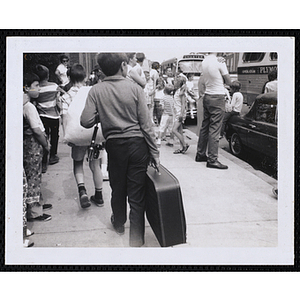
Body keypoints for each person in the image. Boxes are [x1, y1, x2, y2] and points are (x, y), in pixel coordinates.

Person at [80, 53, 159, 247]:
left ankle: (119, 223)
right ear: (123, 66)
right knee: (137, 192)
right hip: (137, 145)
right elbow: (146, 125)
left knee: (117, 187)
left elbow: (85, 121)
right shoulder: (135, 88)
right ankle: (136, 238)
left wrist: (104, 115)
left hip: (115, 147)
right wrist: (155, 153)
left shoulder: (96, 90)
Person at [60, 64, 105, 209]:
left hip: (77, 134)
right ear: (85, 77)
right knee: (95, 164)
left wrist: (67, 136)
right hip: (93, 134)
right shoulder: (92, 91)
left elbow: (65, 117)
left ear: (69, 78)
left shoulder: (65, 96)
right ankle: (99, 195)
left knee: (78, 163)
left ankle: (82, 190)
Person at [23, 73, 52, 222]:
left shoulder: (28, 104)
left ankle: (38, 203)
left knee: (35, 175)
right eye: (36, 86)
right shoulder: (28, 107)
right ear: (26, 88)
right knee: (33, 177)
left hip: (31, 147)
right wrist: (46, 144)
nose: (39, 89)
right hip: (33, 146)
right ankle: (35, 212)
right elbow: (36, 129)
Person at [195, 52, 232, 169]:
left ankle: (200, 154)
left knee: (205, 127)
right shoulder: (220, 62)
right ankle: (212, 159)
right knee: (215, 129)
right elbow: (229, 82)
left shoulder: (204, 61)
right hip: (217, 97)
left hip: (207, 96)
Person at [34, 64, 61, 172]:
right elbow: (60, 97)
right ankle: (53, 156)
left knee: (44, 137)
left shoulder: (36, 89)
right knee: (55, 136)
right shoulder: (54, 86)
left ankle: (44, 161)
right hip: (54, 116)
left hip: (42, 116)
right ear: (48, 76)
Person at [172, 76, 189, 154]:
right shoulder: (178, 91)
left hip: (179, 113)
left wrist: (181, 114)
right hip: (177, 112)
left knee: (174, 130)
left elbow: (183, 104)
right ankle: (181, 147)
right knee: (180, 131)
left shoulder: (181, 92)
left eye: (176, 81)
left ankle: (185, 145)